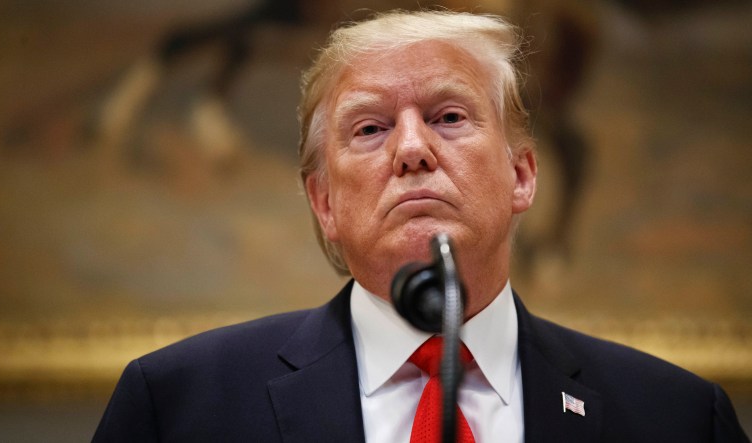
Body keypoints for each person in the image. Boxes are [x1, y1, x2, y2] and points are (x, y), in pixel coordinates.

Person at [92, 10, 749, 442]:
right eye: (371, 128)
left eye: (449, 117)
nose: (412, 149)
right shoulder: (177, 410)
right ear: (323, 201)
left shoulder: (679, 419)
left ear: (522, 174)